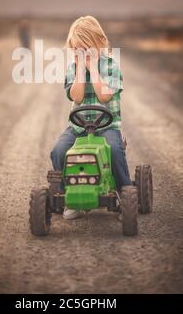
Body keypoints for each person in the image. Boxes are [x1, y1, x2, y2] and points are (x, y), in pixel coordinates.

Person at [50, 15, 132, 220]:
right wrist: (80, 69)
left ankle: (125, 195)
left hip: (107, 126)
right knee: (59, 150)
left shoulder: (111, 66)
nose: (83, 53)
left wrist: (93, 68)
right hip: (78, 127)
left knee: (114, 149)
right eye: (78, 49)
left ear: (99, 43)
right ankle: (67, 195)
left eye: (87, 49)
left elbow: (104, 95)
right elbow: (76, 98)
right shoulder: (72, 69)